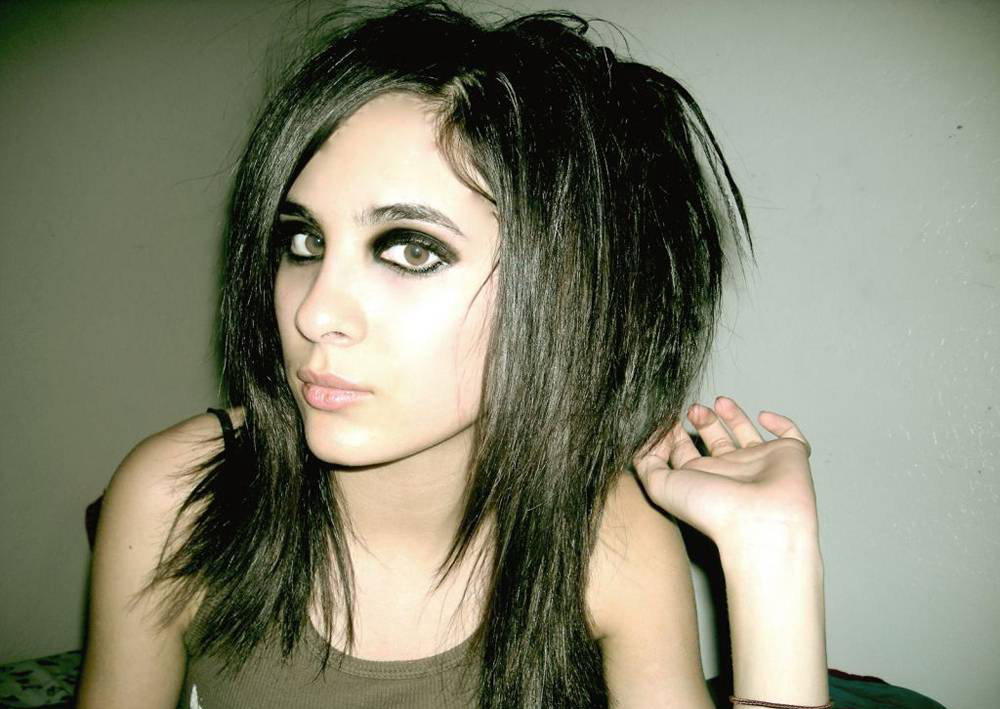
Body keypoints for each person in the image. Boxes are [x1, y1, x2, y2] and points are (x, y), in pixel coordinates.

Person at [77, 2, 830, 708]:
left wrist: (776, 558)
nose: (314, 312)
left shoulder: (609, 537)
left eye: (409, 249)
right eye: (303, 240)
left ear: (563, 292)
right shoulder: (179, 498)